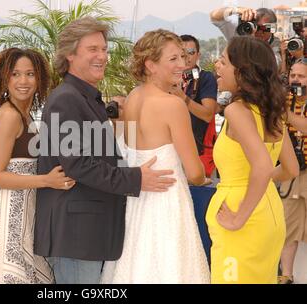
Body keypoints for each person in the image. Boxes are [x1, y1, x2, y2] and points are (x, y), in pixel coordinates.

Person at [34, 17, 177, 284]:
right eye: (93, 49)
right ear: (69, 55)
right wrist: (136, 178)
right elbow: (78, 164)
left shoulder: (86, 98)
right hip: (76, 234)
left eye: (104, 49)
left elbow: (102, 155)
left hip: (87, 232)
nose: (103, 56)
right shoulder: (66, 100)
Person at [100, 29, 210, 284]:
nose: (182, 65)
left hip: (135, 205)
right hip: (167, 209)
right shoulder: (173, 105)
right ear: (150, 65)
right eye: (173, 59)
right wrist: (202, 179)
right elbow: (195, 173)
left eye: (182, 57)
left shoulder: (133, 97)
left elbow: (124, 151)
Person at [0, 48, 75, 284]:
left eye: (30, 74)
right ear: (5, 78)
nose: (23, 81)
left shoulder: (26, 115)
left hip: (25, 216)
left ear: (40, 78)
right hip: (7, 217)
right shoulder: (9, 115)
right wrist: (46, 180)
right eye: (15, 74)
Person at [206, 36, 299, 284]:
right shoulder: (272, 111)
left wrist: (239, 217)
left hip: (242, 215)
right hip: (269, 212)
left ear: (242, 71)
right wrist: (259, 180)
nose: (217, 65)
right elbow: (290, 168)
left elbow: (263, 166)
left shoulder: (237, 111)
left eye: (224, 61)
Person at [170, 34, 218, 177]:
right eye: (182, 54)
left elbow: (208, 114)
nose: (187, 58)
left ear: (198, 55)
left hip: (197, 151)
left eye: (191, 53)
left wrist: (183, 97)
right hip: (172, 151)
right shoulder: (171, 78)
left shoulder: (205, 78)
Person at [278, 59, 307, 284]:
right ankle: (286, 275)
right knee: (288, 224)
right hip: (292, 171)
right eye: (293, 75)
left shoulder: (286, 108)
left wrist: (285, 114)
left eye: (301, 76)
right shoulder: (284, 100)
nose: (295, 80)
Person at [210, 6, 282, 67]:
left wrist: (252, 44)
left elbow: (274, 64)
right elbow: (214, 17)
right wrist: (235, 10)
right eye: (256, 26)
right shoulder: (240, 33)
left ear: (272, 29)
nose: (259, 32)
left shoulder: (275, 44)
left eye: (264, 28)